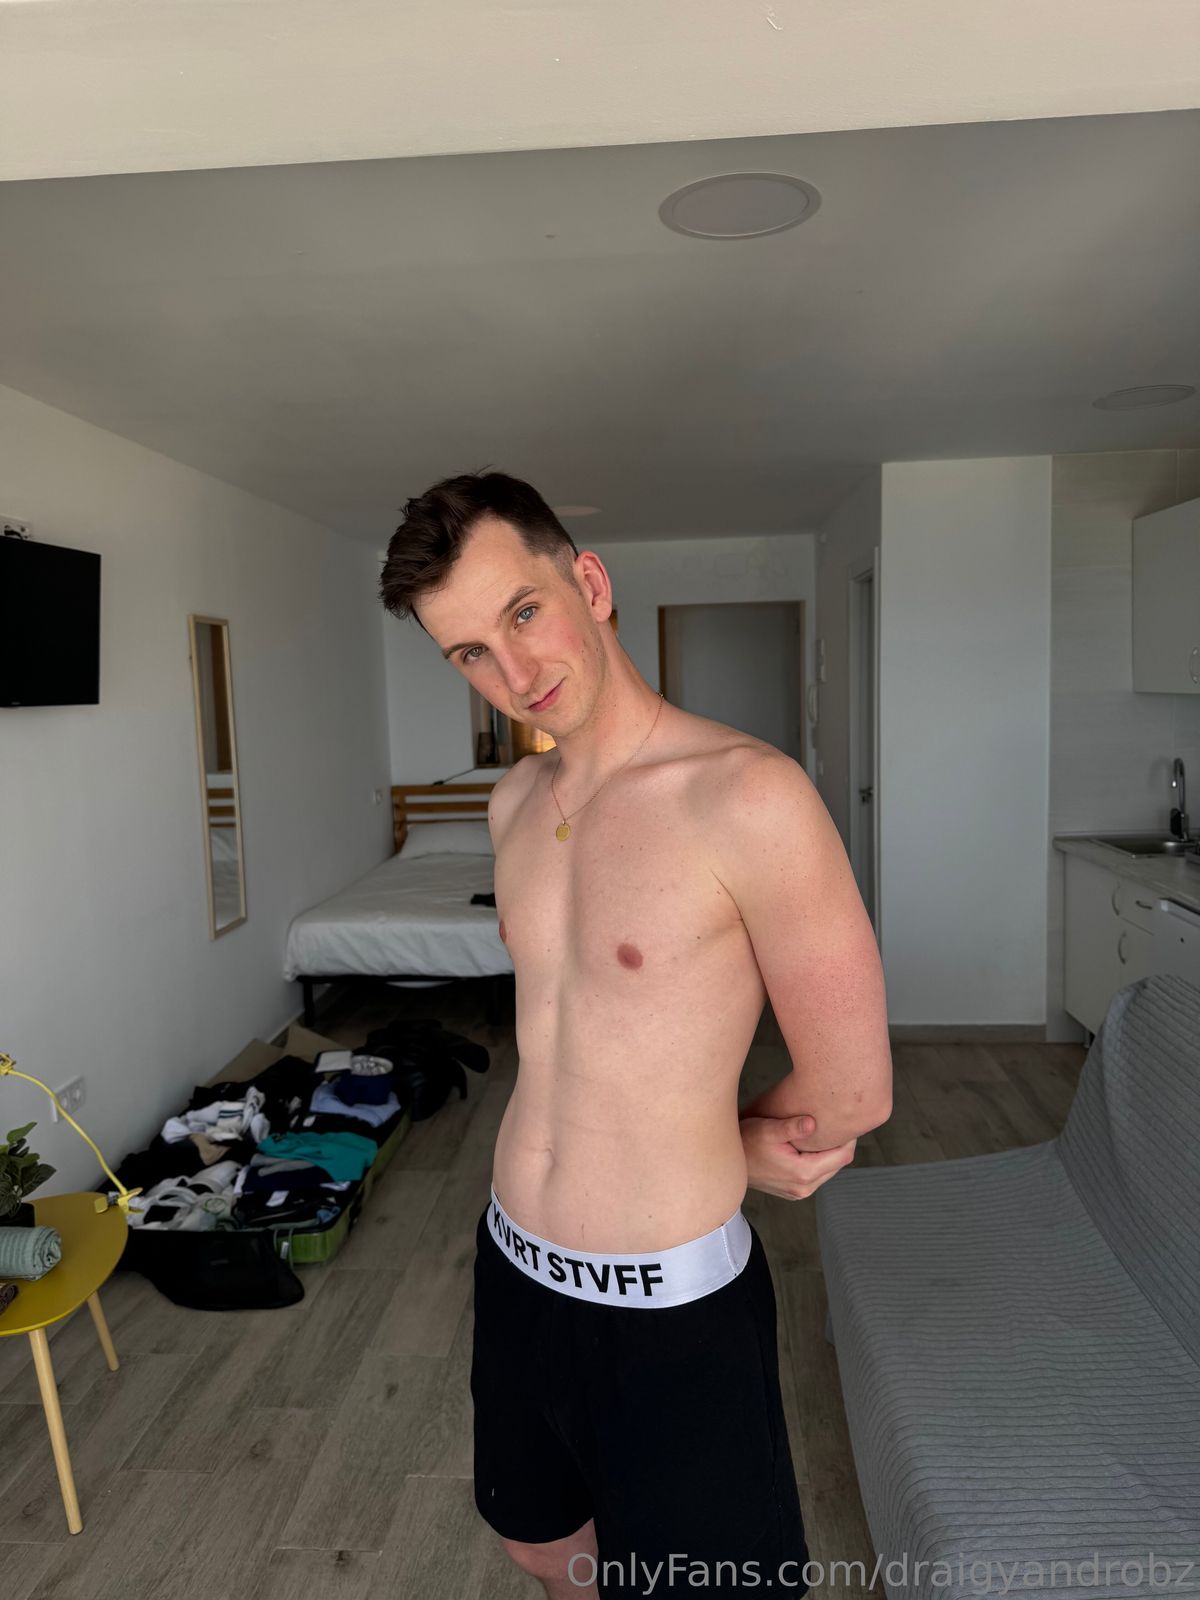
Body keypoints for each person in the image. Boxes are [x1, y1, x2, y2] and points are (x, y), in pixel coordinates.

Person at [379, 472, 893, 1599]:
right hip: (514, 1259)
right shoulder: (512, 806)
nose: (515, 673)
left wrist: (724, 1142)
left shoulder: (749, 796)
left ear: (591, 581)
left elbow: (854, 1090)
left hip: (671, 1303)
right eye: (470, 652)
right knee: (539, 1540)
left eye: (524, 612)